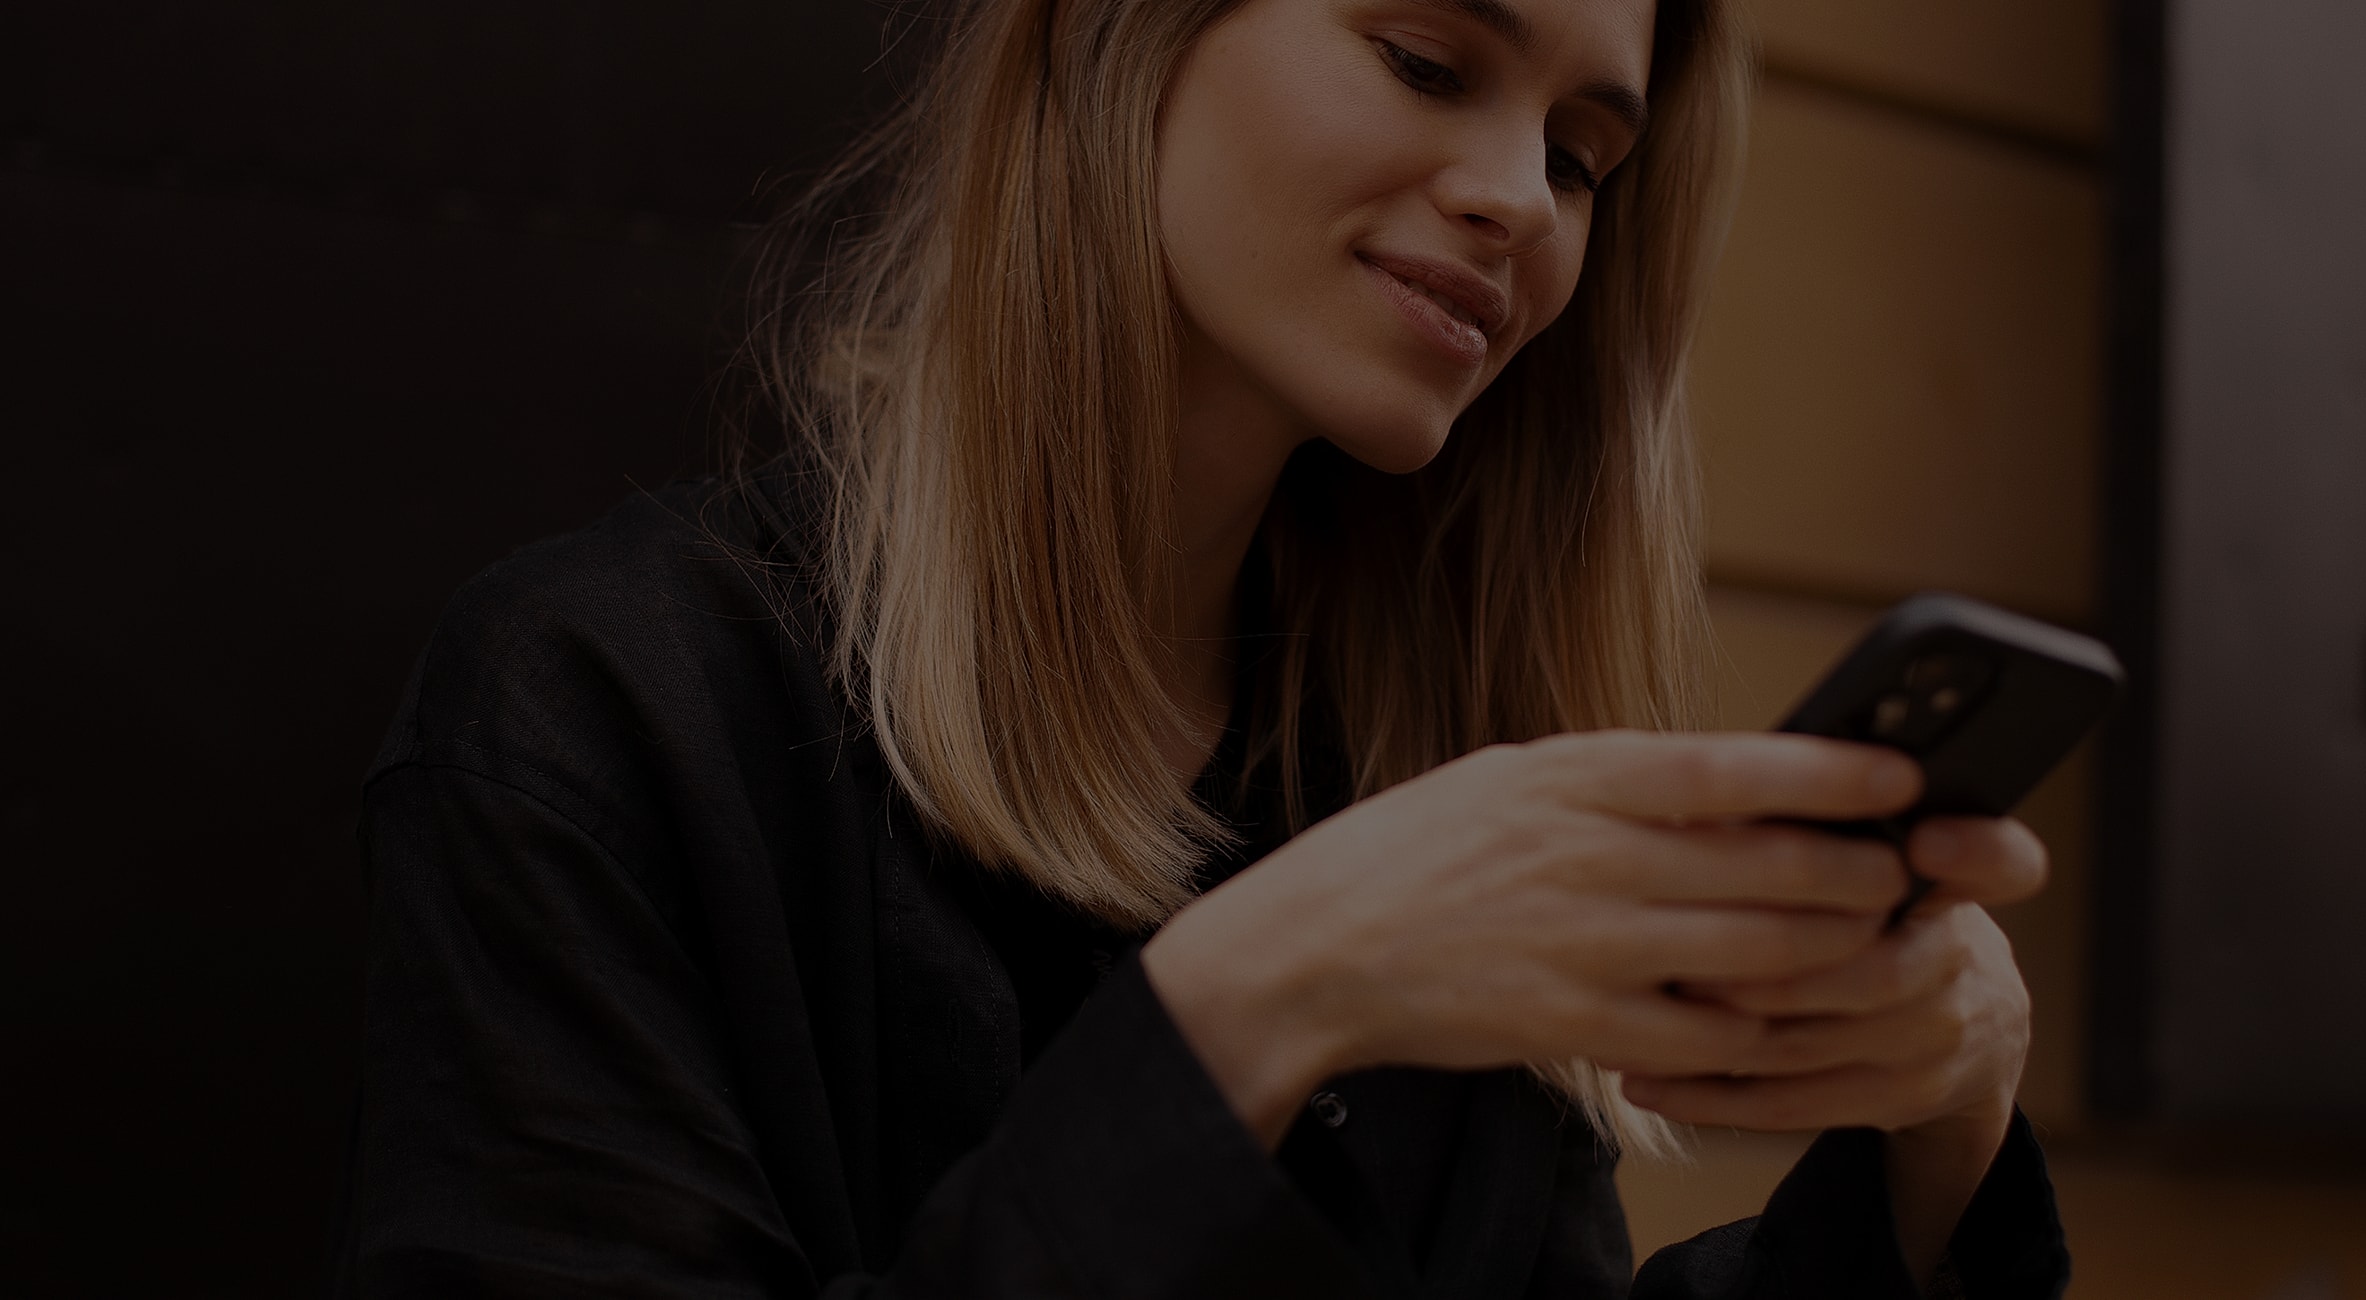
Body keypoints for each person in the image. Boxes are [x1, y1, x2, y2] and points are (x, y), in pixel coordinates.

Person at [329, 0, 2070, 1294]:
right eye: (1425, 57)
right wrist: (1259, 1004)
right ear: (1116, 31)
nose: (1520, 203)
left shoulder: (1403, 784)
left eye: (1579, 156)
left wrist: (1946, 1128)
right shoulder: (596, 711)